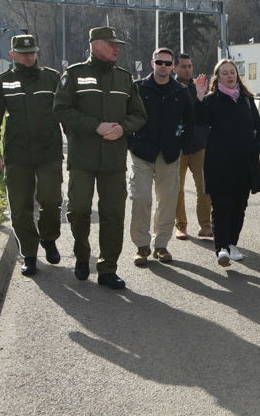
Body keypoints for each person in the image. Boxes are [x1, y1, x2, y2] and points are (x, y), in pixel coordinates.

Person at [54, 26, 146, 289]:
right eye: (111, 44)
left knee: (113, 214)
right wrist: (94, 125)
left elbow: (139, 115)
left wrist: (123, 128)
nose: (116, 48)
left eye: (118, 45)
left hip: (114, 159)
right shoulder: (73, 75)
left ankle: (108, 268)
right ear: (94, 44)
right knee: (80, 210)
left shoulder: (124, 79)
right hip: (83, 157)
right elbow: (60, 109)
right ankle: (83, 256)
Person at [0, 33, 63, 277]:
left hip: (48, 151)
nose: (29, 57)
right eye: (24, 53)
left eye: (33, 53)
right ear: (13, 54)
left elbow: (66, 113)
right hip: (17, 154)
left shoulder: (52, 78)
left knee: (50, 201)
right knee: (20, 207)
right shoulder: (3, 82)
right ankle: (29, 254)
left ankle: (48, 238)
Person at [194, 59, 260, 266]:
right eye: (224, 73)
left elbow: (259, 127)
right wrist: (199, 96)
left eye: (232, 72)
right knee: (221, 206)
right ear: (218, 78)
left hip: (244, 164)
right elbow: (199, 121)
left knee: (239, 207)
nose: (229, 75)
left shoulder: (246, 99)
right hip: (219, 164)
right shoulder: (211, 100)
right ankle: (221, 249)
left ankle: (232, 244)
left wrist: (256, 147)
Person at [128, 47, 193, 267]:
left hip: (170, 154)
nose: (163, 67)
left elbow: (189, 122)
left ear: (173, 66)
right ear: (152, 63)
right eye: (159, 62)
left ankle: (161, 245)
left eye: (167, 63)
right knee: (141, 198)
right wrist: (131, 142)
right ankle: (141, 246)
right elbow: (127, 116)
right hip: (142, 153)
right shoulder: (138, 88)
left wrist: (179, 142)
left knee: (167, 201)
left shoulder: (180, 91)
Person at [173, 52, 212, 240]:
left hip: (199, 145)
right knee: (177, 189)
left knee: (205, 187)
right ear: (175, 67)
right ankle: (181, 225)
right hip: (178, 148)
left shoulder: (199, 87)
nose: (187, 69)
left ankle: (205, 225)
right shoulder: (170, 87)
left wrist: (201, 96)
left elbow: (204, 115)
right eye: (183, 66)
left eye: (190, 66)